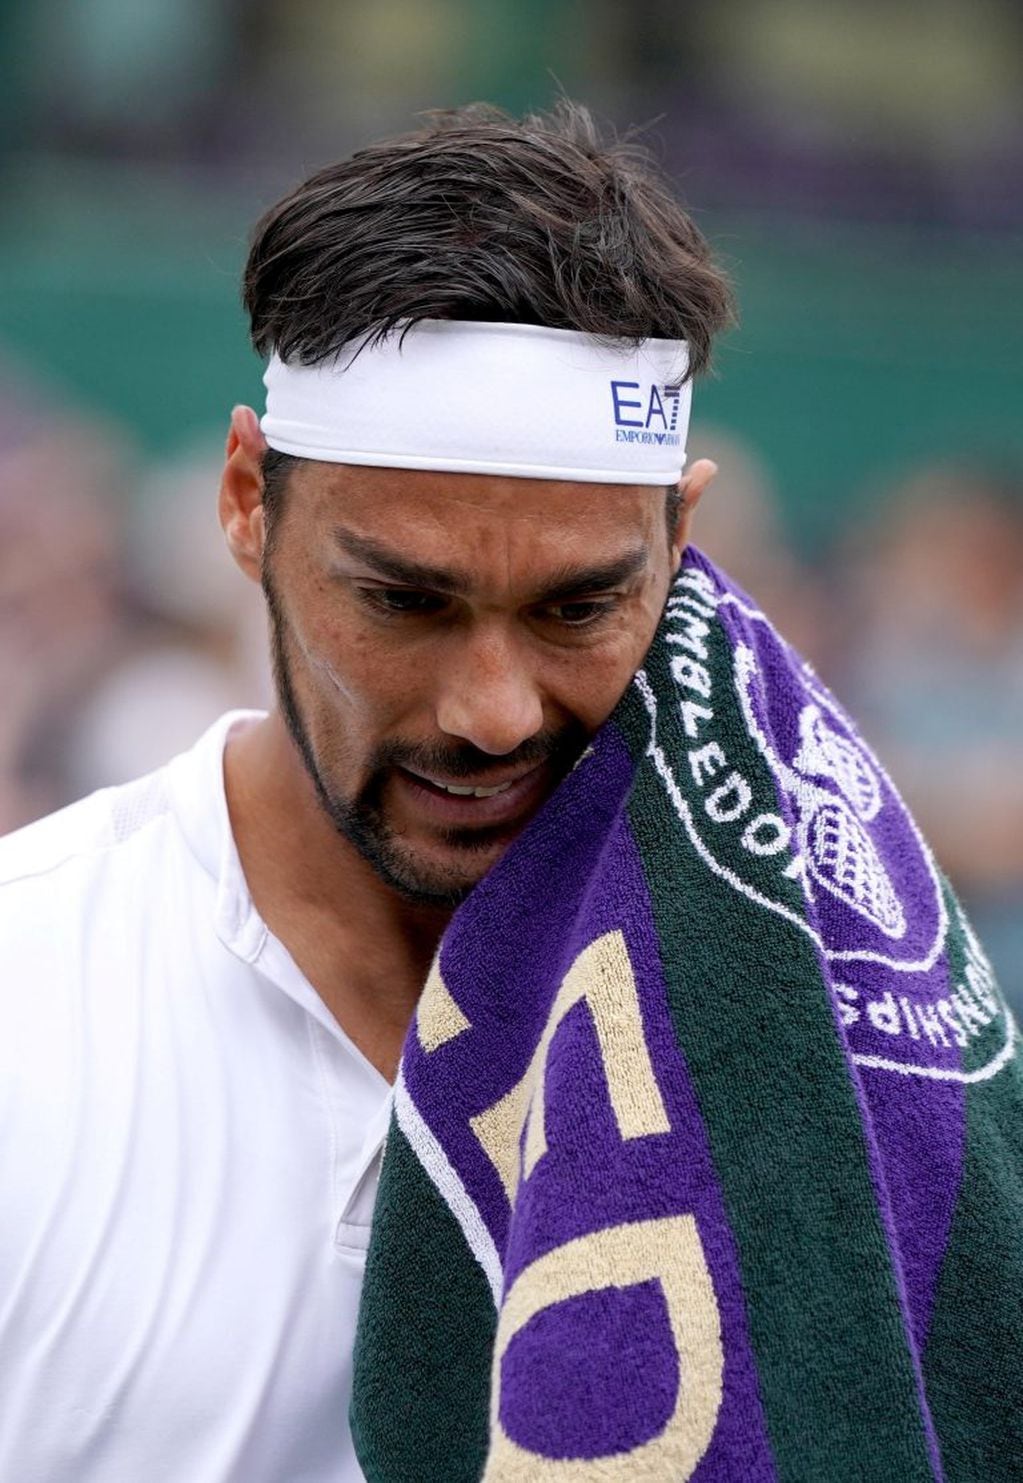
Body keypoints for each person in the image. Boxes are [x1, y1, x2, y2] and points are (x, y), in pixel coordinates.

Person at [0, 103, 1019, 1483]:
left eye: (580, 606)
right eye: (403, 601)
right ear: (247, 502)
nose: (494, 711)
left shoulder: (847, 1020)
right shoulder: (32, 1004)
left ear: (680, 543)